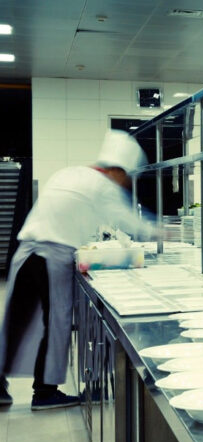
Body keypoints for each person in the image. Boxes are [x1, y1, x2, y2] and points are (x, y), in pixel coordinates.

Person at [0, 130, 153, 410]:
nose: (126, 184)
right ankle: (45, 393)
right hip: (52, 255)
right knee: (56, 323)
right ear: (118, 170)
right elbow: (128, 220)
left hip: (25, 251)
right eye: (127, 177)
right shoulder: (103, 185)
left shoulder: (69, 173)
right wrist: (160, 231)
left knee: (16, 320)